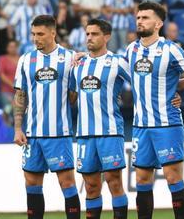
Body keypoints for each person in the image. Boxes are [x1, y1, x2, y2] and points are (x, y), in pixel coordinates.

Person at [124, 1, 184, 219]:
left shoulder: (171, 49)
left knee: (173, 178)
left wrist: (174, 91)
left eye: (145, 18)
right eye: (138, 18)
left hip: (167, 123)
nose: (139, 21)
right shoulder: (131, 49)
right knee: (141, 181)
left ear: (158, 23)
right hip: (140, 126)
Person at [12, 15, 80, 219]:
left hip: (59, 133)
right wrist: (17, 128)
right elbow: (20, 95)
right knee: (31, 183)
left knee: (67, 183)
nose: (35, 38)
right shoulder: (25, 59)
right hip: (32, 134)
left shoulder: (70, 58)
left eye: (40, 34)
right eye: (33, 34)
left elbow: (74, 95)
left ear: (53, 32)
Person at [68, 19, 130, 219]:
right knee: (91, 186)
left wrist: (173, 94)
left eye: (94, 34)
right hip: (85, 133)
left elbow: (142, 84)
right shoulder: (78, 63)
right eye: (87, 34)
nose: (89, 38)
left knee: (114, 182)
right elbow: (71, 96)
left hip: (110, 131)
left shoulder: (117, 62)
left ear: (107, 37)